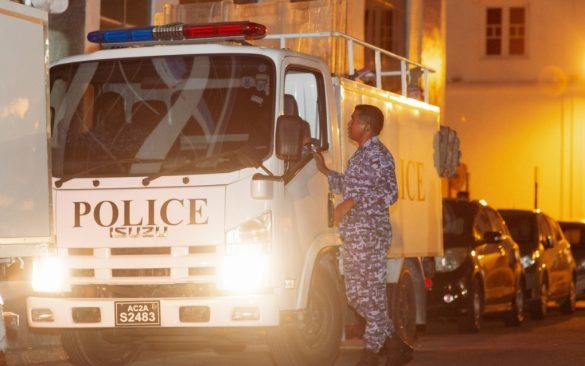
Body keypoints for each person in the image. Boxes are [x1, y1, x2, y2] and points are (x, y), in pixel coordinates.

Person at [314, 104, 406, 366]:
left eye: (353, 120)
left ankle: (371, 354)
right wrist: (326, 172)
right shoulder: (361, 155)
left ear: (365, 126)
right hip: (354, 236)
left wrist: (351, 203)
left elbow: (390, 193)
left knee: (373, 295)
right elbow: (353, 186)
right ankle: (395, 345)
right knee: (356, 296)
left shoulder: (379, 155)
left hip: (371, 234)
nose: (348, 123)